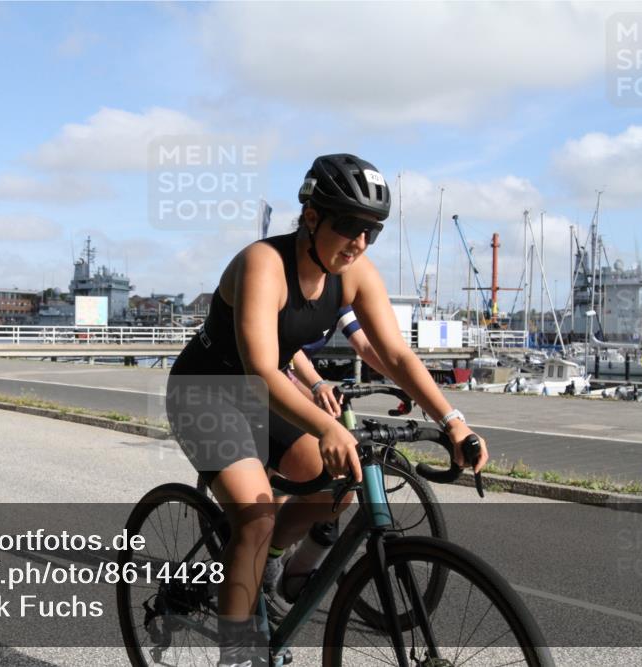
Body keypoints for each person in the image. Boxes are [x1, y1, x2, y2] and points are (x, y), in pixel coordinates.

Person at [166, 153, 488, 666]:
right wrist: (326, 426)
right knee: (256, 516)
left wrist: (452, 421)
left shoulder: (354, 272)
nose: (359, 242)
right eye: (349, 226)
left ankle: (267, 566)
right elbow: (263, 370)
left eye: (372, 231)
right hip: (207, 392)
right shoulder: (263, 265)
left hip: (262, 397)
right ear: (312, 216)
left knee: (335, 487)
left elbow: (397, 355)